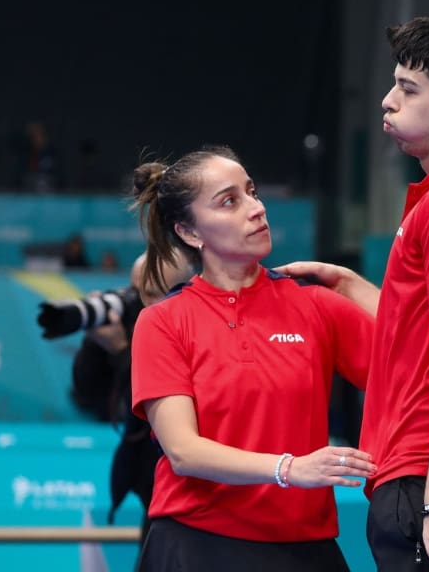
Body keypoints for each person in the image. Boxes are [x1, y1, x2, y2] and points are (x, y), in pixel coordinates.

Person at [277, 15, 429, 572]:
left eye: (407, 89)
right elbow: (423, 328)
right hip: (416, 473)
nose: (387, 101)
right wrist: (348, 285)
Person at [128, 145, 378, 572]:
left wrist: (356, 285)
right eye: (230, 201)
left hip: (304, 548)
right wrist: (290, 468)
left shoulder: (316, 303)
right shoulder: (162, 322)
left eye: (252, 191)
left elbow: (417, 376)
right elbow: (184, 451)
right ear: (190, 233)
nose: (257, 208)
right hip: (196, 546)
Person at [71, 249, 196, 556]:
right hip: (151, 493)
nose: (140, 303)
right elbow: (87, 391)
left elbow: (160, 391)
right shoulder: (134, 319)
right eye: (133, 291)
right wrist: (95, 342)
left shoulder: (196, 330)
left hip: (189, 497)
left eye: (151, 293)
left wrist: (120, 350)